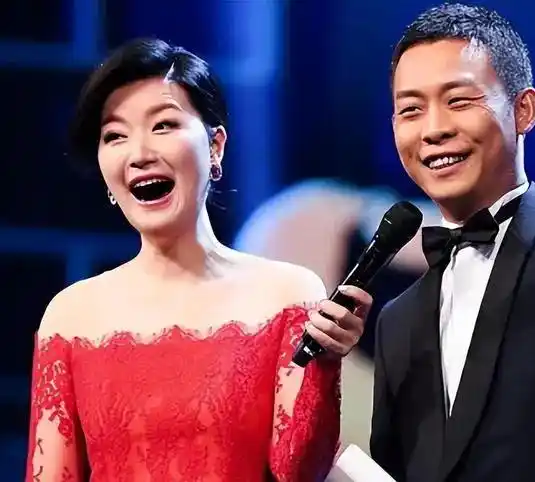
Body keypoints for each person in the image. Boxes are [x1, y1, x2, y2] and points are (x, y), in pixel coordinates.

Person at [26, 38, 372, 482]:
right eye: (115, 135)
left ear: (215, 147)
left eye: (164, 125)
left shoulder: (287, 294)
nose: (139, 153)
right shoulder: (71, 315)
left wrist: (325, 362)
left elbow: (299, 470)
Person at [370, 4, 535, 482]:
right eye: (411, 110)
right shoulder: (397, 322)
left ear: (523, 110)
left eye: (458, 101)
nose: (433, 129)